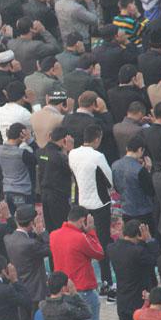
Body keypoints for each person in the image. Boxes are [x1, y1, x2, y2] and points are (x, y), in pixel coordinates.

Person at [67, 125, 114, 296]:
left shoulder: (72, 153)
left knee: (81, 242)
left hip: (81, 202)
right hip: (99, 204)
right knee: (102, 242)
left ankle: (82, 280)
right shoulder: (98, 156)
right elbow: (109, 180)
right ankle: (107, 282)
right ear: (97, 138)